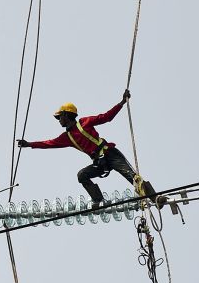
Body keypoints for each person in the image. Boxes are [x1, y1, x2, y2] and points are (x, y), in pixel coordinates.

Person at [16, 89, 163, 208]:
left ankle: (156, 198)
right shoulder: (67, 137)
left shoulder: (84, 122)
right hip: (99, 163)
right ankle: (98, 200)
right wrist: (30, 144)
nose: (59, 120)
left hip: (109, 153)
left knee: (132, 177)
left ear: (67, 115)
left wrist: (122, 102)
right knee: (82, 175)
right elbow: (49, 143)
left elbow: (106, 117)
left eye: (60, 116)